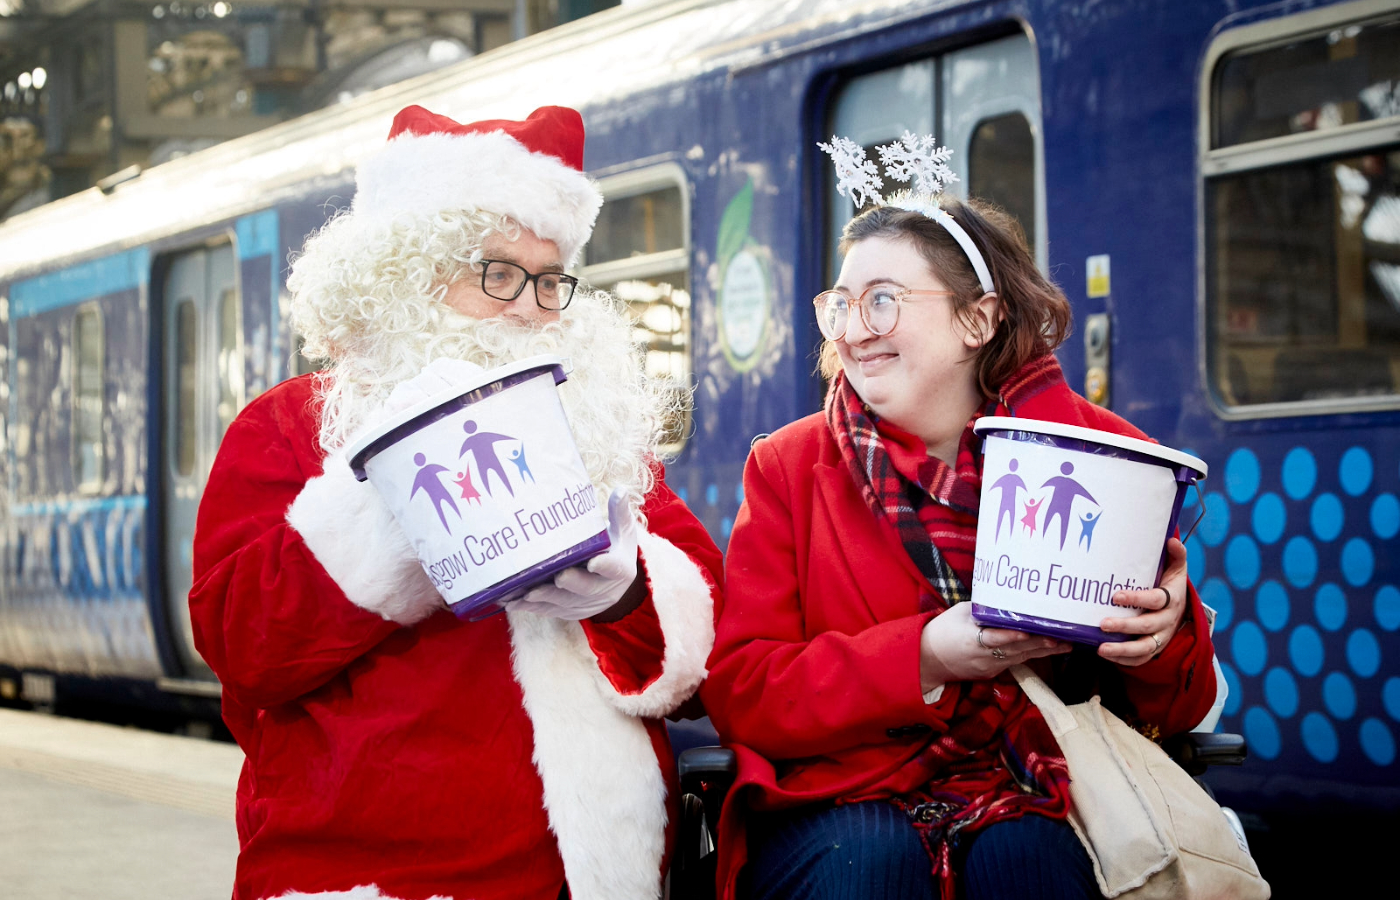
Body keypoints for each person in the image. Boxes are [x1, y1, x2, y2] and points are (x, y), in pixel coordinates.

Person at [189, 105, 721, 900]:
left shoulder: (595, 427)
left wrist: (628, 595)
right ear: (405, 275)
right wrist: (402, 497)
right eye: (498, 273)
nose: (529, 308)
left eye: (548, 281)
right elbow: (241, 647)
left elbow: (715, 636)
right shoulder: (291, 427)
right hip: (362, 875)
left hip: (585, 878)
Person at [700, 137, 1217, 900]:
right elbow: (742, 692)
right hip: (840, 794)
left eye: (882, 300)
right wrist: (925, 657)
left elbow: (1181, 708)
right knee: (870, 860)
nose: (849, 329)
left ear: (979, 321)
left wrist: (1162, 636)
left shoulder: (1109, 456)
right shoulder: (787, 466)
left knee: (1027, 859)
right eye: (838, 304)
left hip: (1047, 782)